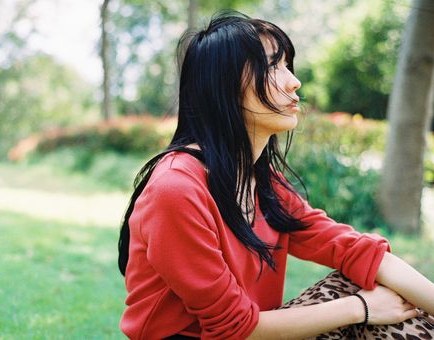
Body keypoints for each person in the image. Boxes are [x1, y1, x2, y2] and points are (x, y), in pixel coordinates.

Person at [117, 10, 434, 339]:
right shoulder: (177, 189)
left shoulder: (263, 186)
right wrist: (360, 308)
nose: (294, 81)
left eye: (287, 66)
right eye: (271, 66)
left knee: (366, 276)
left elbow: (356, 251)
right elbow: (234, 328)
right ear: (223, 85)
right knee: (358, 293)